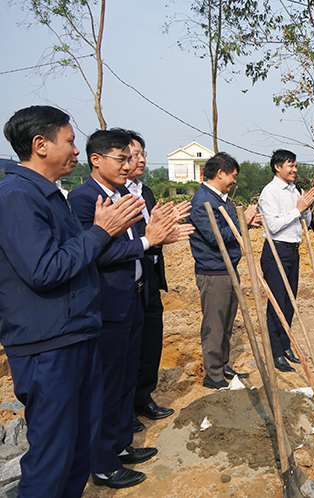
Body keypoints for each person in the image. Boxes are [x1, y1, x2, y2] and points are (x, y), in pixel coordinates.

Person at [0, 106, 145, 498]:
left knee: (78, 450)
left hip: (75, 336)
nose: (76, 151)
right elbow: (44, 269)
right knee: (52, 457)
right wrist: (102, 232)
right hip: (48, 346)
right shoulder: (16, 197)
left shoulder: (50, 196)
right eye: (69, 141)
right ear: (40, 145)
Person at [69, 128, 190, 488]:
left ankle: (120, 446)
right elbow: (97, 253)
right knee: (106, 385)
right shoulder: (82, 199)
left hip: (134, 297)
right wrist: (148, 240)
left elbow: (140, 241)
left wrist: (156, 239)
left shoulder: (123, 194)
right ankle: (103, 462)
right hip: (107, 304)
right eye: (121, 159)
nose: (129, 165)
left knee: (124, 380)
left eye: (129, 158)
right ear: (97, 159)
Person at [188, 152, 259, 388]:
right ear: (220, 173)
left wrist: (243, 223)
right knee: (215, 323)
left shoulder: (222, 199)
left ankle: (222, 363)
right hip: (214, 270)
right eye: (233, 176)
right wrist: (243, 223)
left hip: (229, 268)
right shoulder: (202, 202)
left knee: (227, 321)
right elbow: (215, 236)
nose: (234, 181)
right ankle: (213, 374)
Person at [125, 131, 176, 432]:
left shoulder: (146, 193)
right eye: (133, 155)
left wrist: (162, 237)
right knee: (127, 349)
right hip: (128, 279)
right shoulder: (114, 196)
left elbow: (152, 234)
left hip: (150, 276)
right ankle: (124, 407)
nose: (141, 159)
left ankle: (143, 397)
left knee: (150, 343)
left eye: (143, 153)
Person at [258, 149, 314, 372]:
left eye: (295, 165)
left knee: (290, 301)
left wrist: (306, 208)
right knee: (277, 303)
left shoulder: (294, 191)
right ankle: (274, 353)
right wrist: (297, 209)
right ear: (278, 167)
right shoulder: (270, 192)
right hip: (276, 251)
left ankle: (285, 345)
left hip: (293, 249)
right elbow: (272, 226)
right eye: (290, 165)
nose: (294, 169)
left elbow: (305, 222)